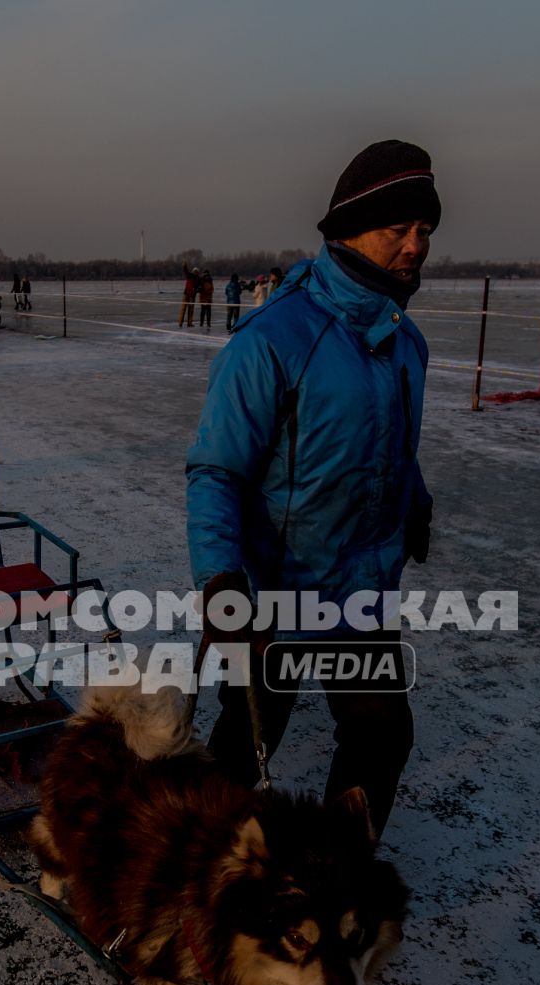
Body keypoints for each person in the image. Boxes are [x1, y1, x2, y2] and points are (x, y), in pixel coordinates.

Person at [185, 138, 440, 840]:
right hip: (275, 594)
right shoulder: (272, 341)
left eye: (425, 232)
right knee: (245, 742)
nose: (415, 246)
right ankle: (197, 873)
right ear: (349, 229)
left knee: (382, 736)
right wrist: (220, 582)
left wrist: (414, 502)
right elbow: (216, 471)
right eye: (399, 230)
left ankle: (335, 878)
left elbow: (392, 445)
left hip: (360, 591)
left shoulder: (405, 343)